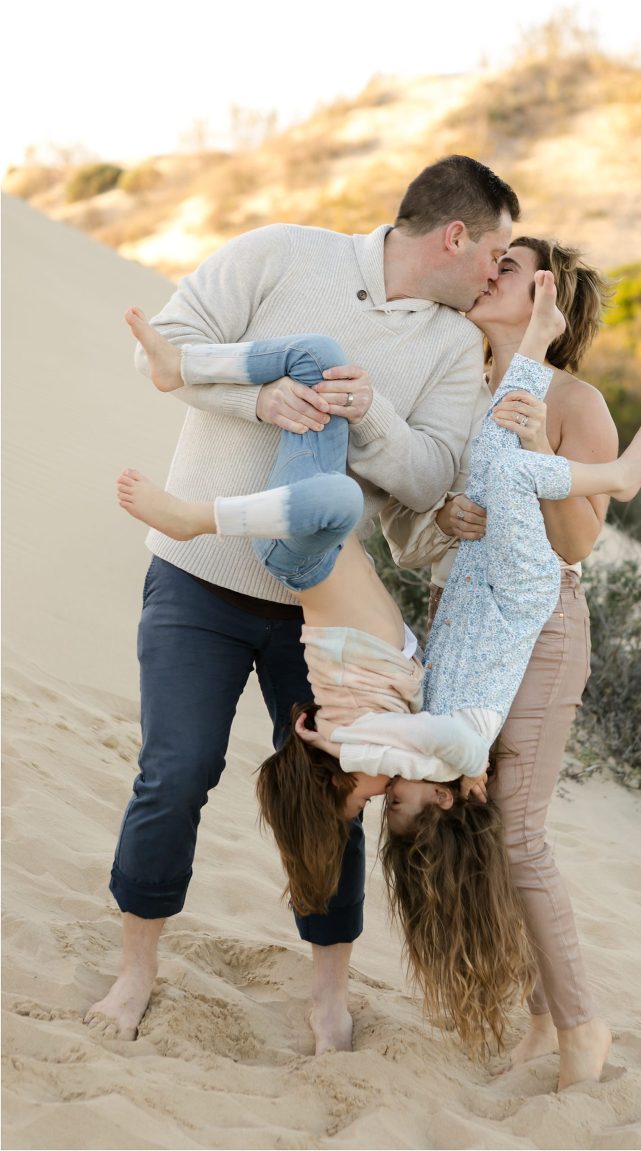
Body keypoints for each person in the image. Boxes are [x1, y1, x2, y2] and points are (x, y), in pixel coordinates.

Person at [113, 272, 641, 1055]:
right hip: (496, 590)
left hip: (354, 565)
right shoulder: (448, 741)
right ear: (446, 799)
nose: (385, 793)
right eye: (399, 802)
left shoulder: (388, 739)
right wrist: (441, 514)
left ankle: (194, 488)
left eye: (376, 800)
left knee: (347, 467)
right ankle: (184, 380)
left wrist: (332, 744)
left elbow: (388, 750)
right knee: (339, 380)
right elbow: (417, 538)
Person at [84, 155, 520, 1052]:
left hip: (316, 616)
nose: (494, 271)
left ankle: (327, 992)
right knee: (176, 773)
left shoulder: (448, 346)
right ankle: (137, 968)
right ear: (455, 235)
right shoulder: (281, 252)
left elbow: (434, 473)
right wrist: (259, 397)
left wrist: (372, 418)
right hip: (195, 574)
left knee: (338, 800)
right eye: (496, 250)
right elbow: (158, 347)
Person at [380, 236, 622, 1089]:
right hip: (463, 627)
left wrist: (530, 462)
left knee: (518, 830)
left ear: (544, 295)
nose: (490, 275)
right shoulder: (462, 386)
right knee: (474, 829)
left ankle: (581, 1024)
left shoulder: (573, 399)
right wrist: (448, 513)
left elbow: (579, 541)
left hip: (543, 629)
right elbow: (427, 514)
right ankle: (534, 1014)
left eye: (509, 268)